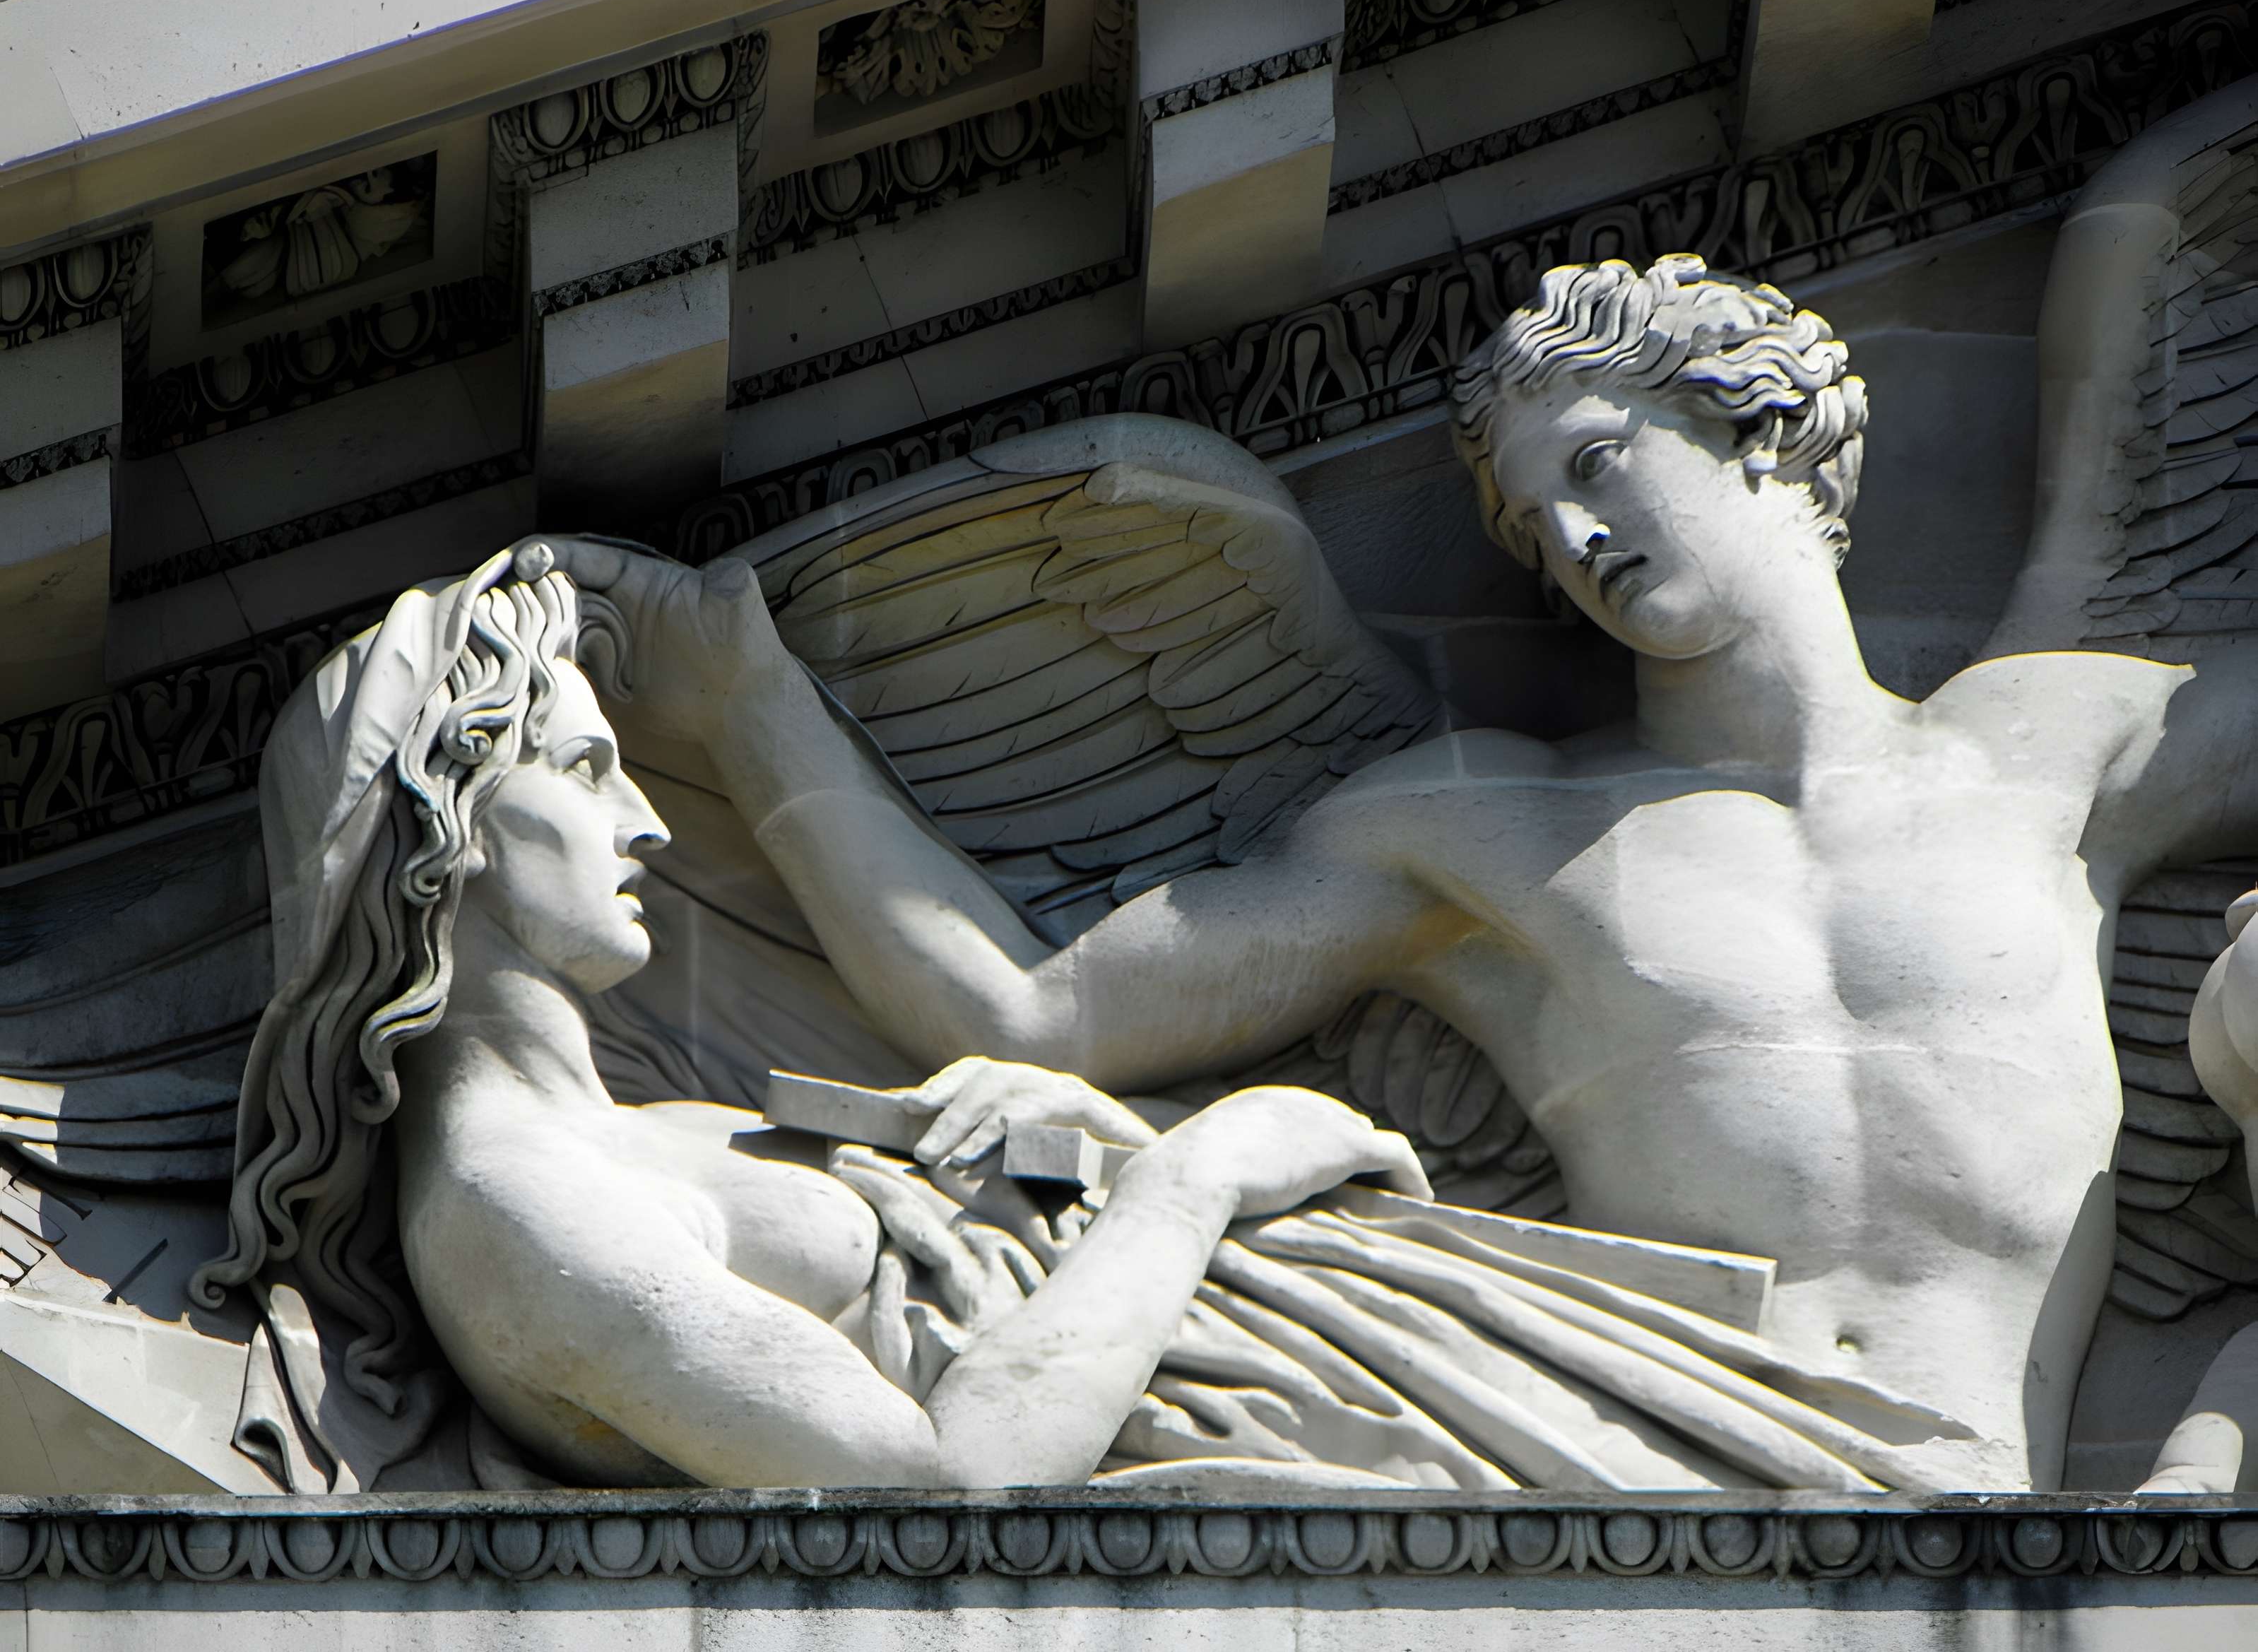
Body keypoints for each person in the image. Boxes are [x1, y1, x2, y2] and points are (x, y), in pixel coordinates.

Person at [536, 254, 2258, 1491]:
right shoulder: (1486, 831)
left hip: (2031, 1518)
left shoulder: (2062, 746)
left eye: (1599, 462)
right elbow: (1021, 1005)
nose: (1576, 539)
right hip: (1670, 1482)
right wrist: (750, 704)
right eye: (1533, 522)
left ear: (1766, 432)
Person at [191, 542, 1960, 1494]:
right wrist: (1205, 1169)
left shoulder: (620, 1130)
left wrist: (1054, 1156)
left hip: (1361, 1335)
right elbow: (949, 1491)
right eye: (588, 769)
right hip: (1308, 1417)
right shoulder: (517, 1207)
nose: (650, 819)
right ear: (444, 825)